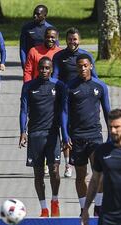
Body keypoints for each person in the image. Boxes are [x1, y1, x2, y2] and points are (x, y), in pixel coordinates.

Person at [61, 54, 110, 216]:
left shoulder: (100, 86)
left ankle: (99, 207)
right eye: (79, 66)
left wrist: (111, 136)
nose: (82, 68)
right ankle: (84, 208)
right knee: (80, 175)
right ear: (76, 67)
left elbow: (108, 112)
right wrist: (65, 136)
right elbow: (64, 113)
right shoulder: (70, 87)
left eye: (85, 65)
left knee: (99, 173)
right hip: (77, 138)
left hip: (95, 136)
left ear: (91, 66)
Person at [19, 57, 64, 217]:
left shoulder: (58, 86)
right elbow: (24, 110)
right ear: (38, 69)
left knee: (54, 170)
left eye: (47, 68)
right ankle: (44, 208)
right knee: (38, 174)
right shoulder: (29, 87)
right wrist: (23, 131)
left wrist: (65, 136)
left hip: (52, 134)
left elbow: (64, 112)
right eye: (42, 68)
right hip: (35, 135)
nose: (44, 70)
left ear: (51, 69)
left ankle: (55, 200)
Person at [52, 27, 98, 178]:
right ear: (66, 40)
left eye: (75, 39)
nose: (72, 42)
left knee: (79, 129)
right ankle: (67, 164)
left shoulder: (86, 56)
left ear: (80, 40)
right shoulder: (59, 56)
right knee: (66, 129)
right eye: (70, 39)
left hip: (83, 97)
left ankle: (84, 162)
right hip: (66, 97)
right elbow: (56, 76)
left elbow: (95, 78)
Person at [19, 4, 58, 69]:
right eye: (34, 13)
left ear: (44, 16)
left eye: (38, 14)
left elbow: (56, 48)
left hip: (47, 64)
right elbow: (23, 48)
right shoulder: (26, 28)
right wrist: (24, 64)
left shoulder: (51, 29)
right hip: (31, 61)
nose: (35, 16)